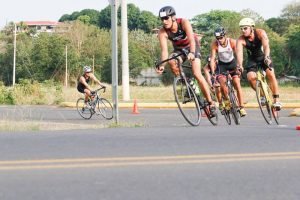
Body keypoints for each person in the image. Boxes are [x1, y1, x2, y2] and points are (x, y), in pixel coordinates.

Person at [155, 6, 216, 114]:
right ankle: (187, 83)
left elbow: (192, 39)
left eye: (166, 18)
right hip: (179, 50)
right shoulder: (162, 32)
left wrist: (192, 52)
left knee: (197, 73)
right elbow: (164, 51)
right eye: (162, 19)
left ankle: (211, 102)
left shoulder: (183, 22)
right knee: (171, 61)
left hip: (192, 46)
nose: (164, 21)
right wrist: (162, 65)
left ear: (173, 17)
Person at [236, 18, 282, 110]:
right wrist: (240, 65)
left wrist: (267, 57)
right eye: (241, 29)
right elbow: (239, 53)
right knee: (250, 77)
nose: (243, 31)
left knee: (270, 73)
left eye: (245, 28)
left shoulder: (260, 33)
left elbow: (266, 46)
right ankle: (262, 96)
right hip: (252, 59)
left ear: (251, 28)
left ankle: (276, 100)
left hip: (263, 57)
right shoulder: (241, 39)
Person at [210, 27, 247, 117]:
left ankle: (241, 107)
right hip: (222, 66)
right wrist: (213, 72)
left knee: (237, 83)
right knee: (222, 83)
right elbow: (213, 58)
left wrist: (239, 65)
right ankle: (226, 101)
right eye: (217, 38)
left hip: (232, 64)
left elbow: (238, 53)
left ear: (225, 36)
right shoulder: (215, 44)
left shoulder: (232, 42)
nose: (219, 40)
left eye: (221, 38)